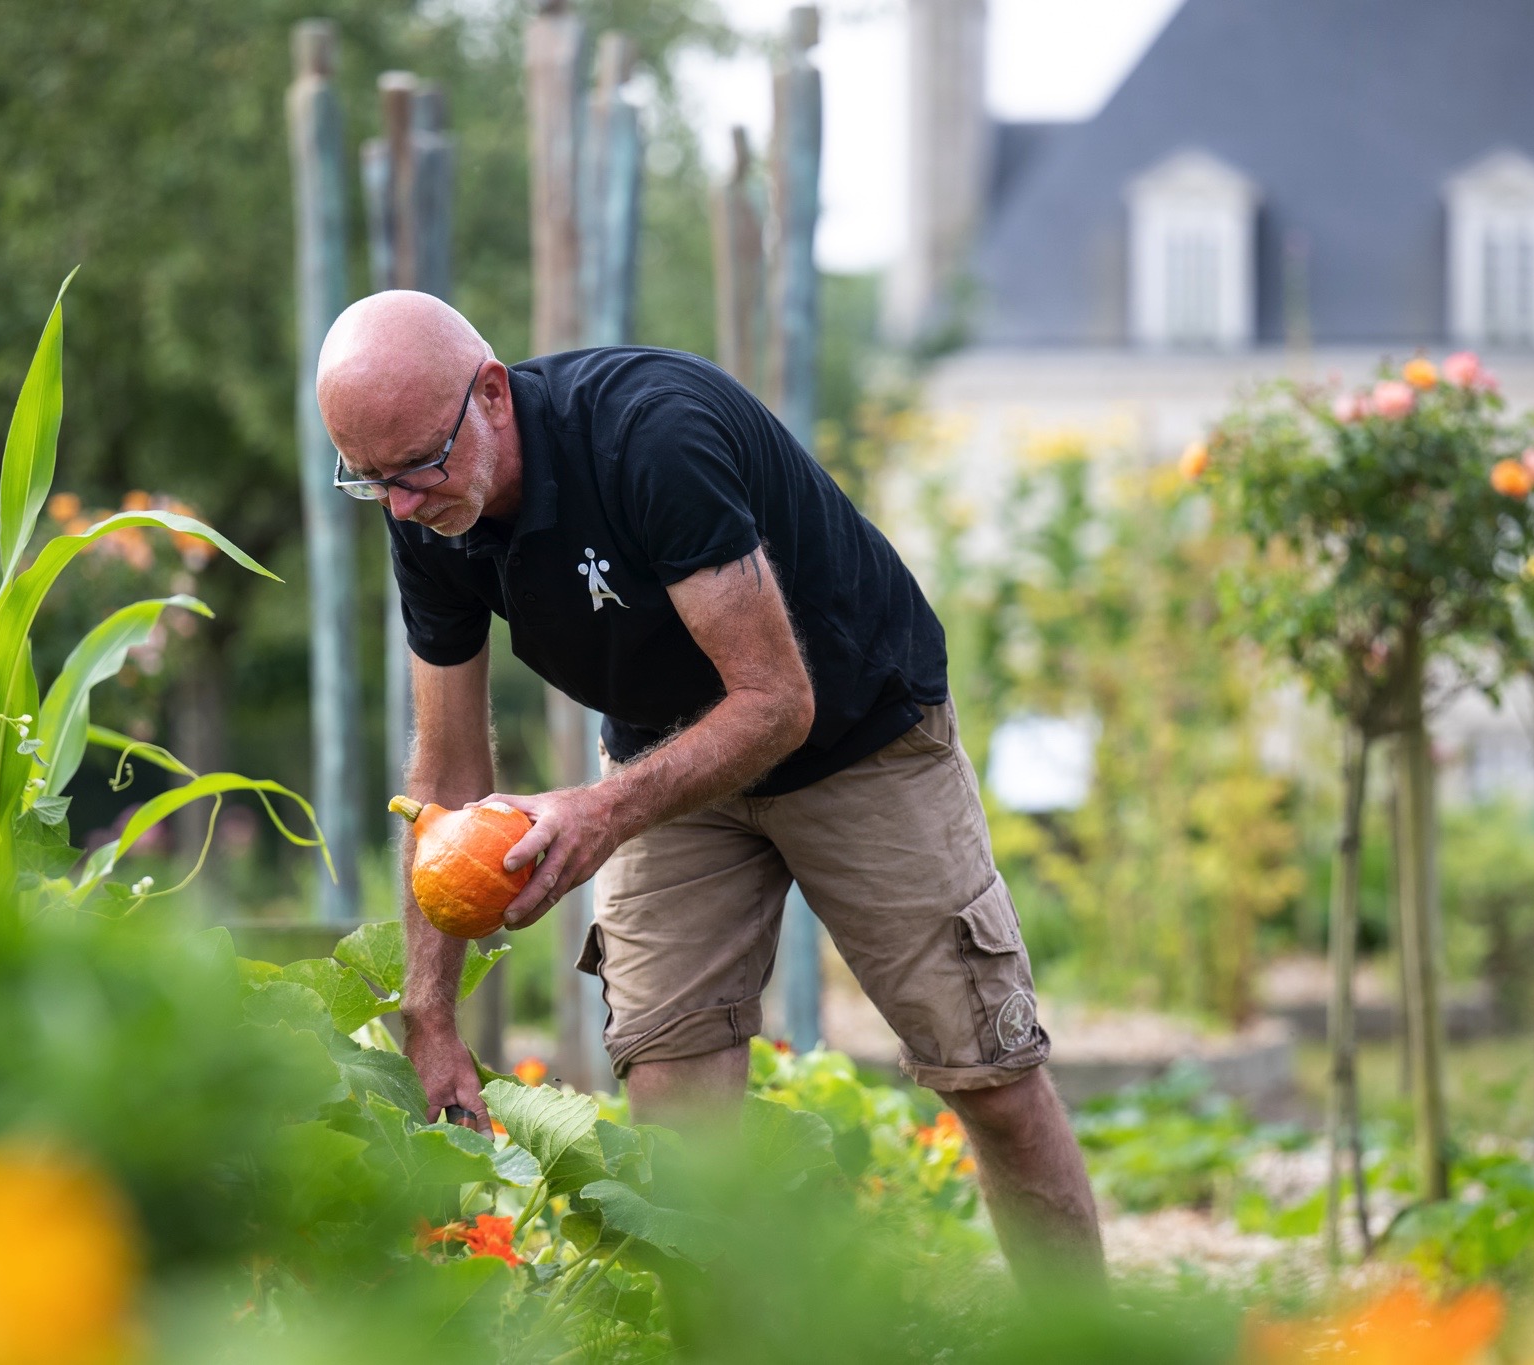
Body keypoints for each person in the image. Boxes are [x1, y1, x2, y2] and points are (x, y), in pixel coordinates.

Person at [316, 290, 1102, 1271]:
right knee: (669, 1112)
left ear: (489, 393)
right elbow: (445, 774)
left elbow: (776, 704)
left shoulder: (652, 437)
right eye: (369, 481)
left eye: (416, 467)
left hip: (855, 734)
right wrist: (429, 1019)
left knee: (982, 1070)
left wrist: (599, 811)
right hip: (665, 759)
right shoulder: (427, 506)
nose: (398, 502)